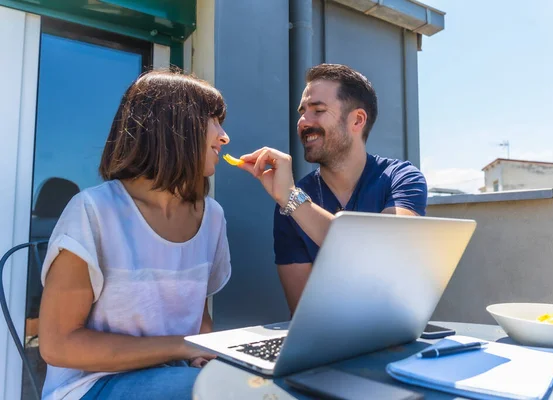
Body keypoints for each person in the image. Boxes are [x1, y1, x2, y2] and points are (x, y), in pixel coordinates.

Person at [38, 70, 232, 400]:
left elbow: (197, 315)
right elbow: (58, 344)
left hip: (174, 376)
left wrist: (202, 352)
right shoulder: (93, 211)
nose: (224, 136)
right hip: (91, 386)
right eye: (213, 120)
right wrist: (183, 347)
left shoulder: (211, 216)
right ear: (173, 128)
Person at [238, 63, 427, 314]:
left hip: (396, 339)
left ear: (357, 120)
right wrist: (290, 201)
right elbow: (304, 315)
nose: (303, 121)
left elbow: (383, 254)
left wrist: (292, 199)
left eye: (318, 110)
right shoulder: (289, 206)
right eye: (302, 111)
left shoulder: (401, 179)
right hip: (326, 345)